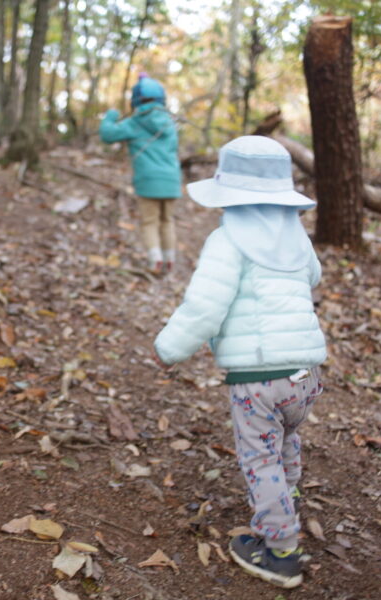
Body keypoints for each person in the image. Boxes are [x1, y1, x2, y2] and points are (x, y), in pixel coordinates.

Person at [152, 136, 327, 589]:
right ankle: (285, 500)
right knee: (285, 441)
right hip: (306, 376)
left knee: (259, 457)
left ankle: (281, 550)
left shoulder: (227, 240)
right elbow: (314, 276)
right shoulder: (297, 237)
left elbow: (204, 308)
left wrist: (170, 347)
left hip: (258, 379)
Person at [99, 74, 182, 274]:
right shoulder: (170, 123)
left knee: (150, 221)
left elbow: (108, 135)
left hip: (148, 182)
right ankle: (170, 258)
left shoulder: (135, 122)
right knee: (167, 220)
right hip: (171, 181)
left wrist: (110, 116)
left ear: (136, 100)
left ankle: (155, 260)